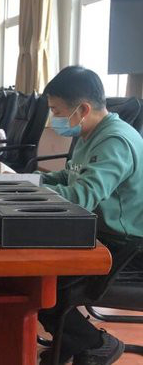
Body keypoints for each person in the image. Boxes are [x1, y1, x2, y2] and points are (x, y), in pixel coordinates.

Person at [37, 66, 143, 365]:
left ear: (82, 109)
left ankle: (97, 343)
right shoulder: (90, 133)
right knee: (33, 268)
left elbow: (80, 197)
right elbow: (70, 176)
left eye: (56, 111)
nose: (53, 118)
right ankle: (73, 342)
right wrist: (31, 181)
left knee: (40, 283)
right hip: (98, 232)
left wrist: (30, 191)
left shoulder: (115, 141)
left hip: (125, 247)